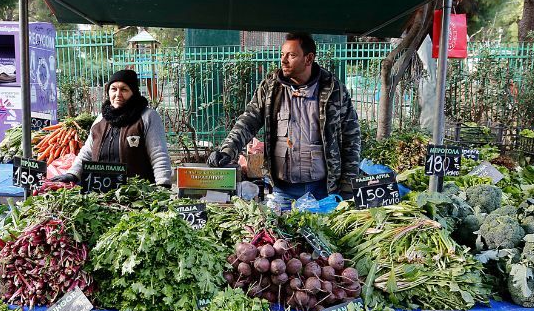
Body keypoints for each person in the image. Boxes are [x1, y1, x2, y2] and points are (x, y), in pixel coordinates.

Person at [207, 32, 361, 210]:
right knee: (281, 237)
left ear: (309, 58)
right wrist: (227, 150)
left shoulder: (333, 90)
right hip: (283, 192)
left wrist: (348, 186)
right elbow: (248, 120)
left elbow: (351, 137)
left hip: (322, 192)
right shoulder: (271, 87)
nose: (284, 60)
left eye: (291, 55)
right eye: (282, 54)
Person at [52, 69, 173, 186]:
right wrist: (73, 174)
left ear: (134, 92)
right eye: (113, 89)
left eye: (124, 90)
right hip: (100, 190)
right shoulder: (101, 118)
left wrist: (163, 184)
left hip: (137, 193)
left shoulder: (147, 116)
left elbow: (158, 154)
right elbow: (87, 151)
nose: (118, 94)